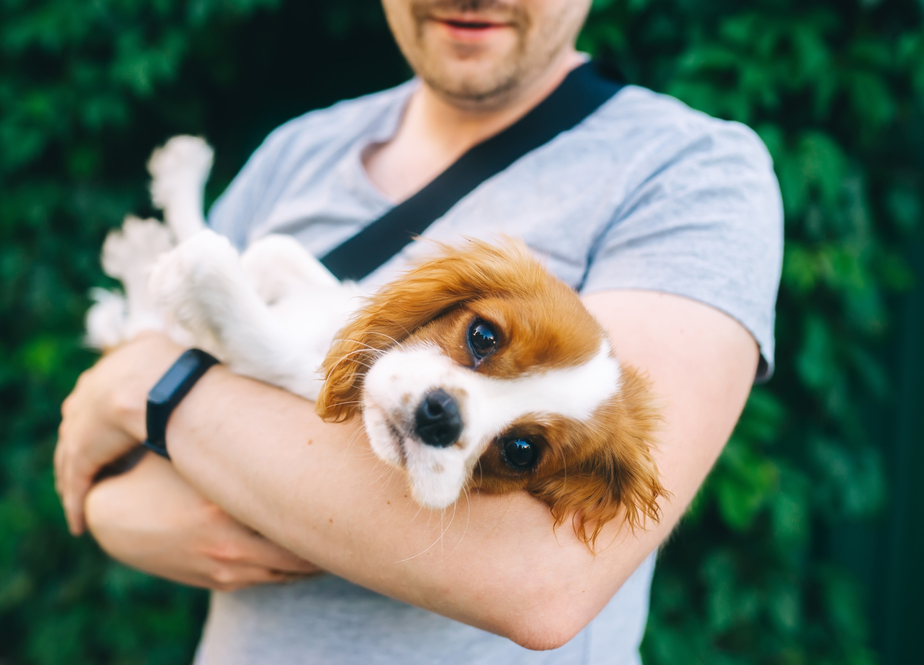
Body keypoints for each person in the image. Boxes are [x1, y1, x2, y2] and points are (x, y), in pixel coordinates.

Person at [54, 0, 783, 662]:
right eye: (484, 341)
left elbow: (543, 581)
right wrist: (117, 511)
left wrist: (143, 384)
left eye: (522, 449)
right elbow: (122, 466)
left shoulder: (692, 173)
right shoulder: (300, 148)